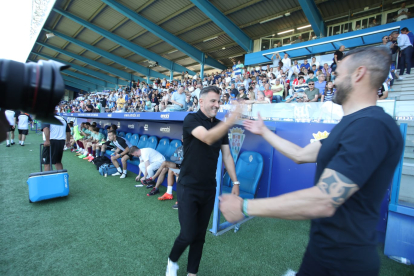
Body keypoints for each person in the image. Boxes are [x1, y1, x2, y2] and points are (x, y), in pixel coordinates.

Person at [220, 46, 404, 275]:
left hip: (345, 264)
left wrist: (245, 206)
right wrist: (264, 132)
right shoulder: (352, 125)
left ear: (358, 74)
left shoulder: (372, 126)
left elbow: (325, 200)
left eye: (337, 75)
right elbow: (300, 154)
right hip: (322, 254)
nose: (331, 82)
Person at [166, 86, 241, 276]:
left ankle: (192, 273)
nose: (217, 105)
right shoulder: (191, 119)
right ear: (201, 102)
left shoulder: (220, 124)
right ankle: (172, 260)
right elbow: (207, 138)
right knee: (188, 234)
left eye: (219, 101)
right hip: (188, 187)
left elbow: (227, 156)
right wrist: (230, 121)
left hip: (209, 188)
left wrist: (235, 182)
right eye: (213, 101)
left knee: (199, 236)